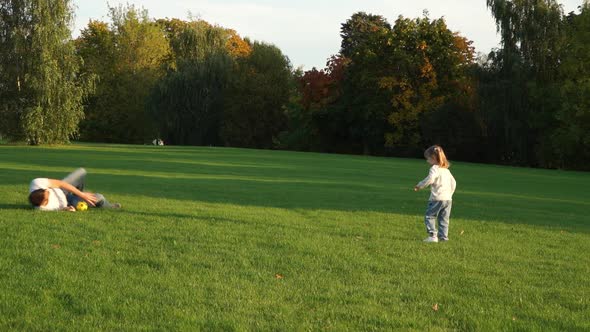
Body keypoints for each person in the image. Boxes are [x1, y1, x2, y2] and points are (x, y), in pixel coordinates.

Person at [414, 145, 456, 243]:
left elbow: (431, 179)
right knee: (444, 219)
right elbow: (453, 183)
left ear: (433, 158)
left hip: (437, 198)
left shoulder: (434, 168)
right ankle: (443, 238)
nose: (427, 161)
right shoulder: (446, 170)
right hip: (448, 199)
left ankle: (433, 236)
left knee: (430, 216)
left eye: (428, 158)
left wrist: (420, 185)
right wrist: (450, 194)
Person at [28, 168, 121, 211]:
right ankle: (109, 206)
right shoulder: (43, 209)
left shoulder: (36, 183)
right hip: (68, 201)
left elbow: (61, 183)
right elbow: (62, 209)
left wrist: (82, 194)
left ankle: (80, 195)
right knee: (99, 197)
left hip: (62, 189)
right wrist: (68, 209)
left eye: (46, 190)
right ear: (44, 202)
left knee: (81, 172)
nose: (48, 191)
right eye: (47, 194)